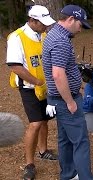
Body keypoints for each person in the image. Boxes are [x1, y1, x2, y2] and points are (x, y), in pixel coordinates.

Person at [42, 5, 93, 180]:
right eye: (81, 24)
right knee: (80, 141)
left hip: (57, 98)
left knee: (64, 140)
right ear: (71, 19)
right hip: (66, 100)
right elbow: (58, 74)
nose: (81, 29)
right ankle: (85, 177)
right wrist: (70, 101)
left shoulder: (53, 35)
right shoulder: (61, 41)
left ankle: (68, 175)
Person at [5, 5, 57, 180]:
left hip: (45, 86)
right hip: (29, 87)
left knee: (44, 120)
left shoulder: (43, 34)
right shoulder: (16, 38)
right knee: (35, 123)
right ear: (32, 20)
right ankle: (29, 164)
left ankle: (43, 150)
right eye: (42, 23)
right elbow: (15, 66)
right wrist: (36, 82)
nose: (46, 27)